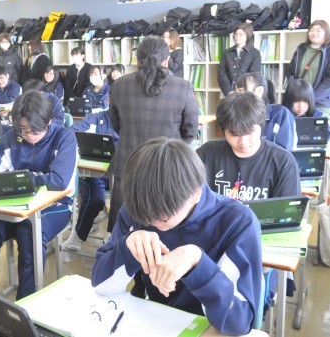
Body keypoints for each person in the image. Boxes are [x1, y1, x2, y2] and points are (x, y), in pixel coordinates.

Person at [92, 137, 261, 336]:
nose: (152, 223)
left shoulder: (236, 221)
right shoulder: (137, 208)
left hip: (207, 329)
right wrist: (126, 248)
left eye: (162, 218)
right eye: (145, 217)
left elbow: (239, 322)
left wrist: (198, 263)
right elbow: (101, 285)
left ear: (196, 193)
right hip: (149, 322)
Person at [0, 90, 77, 300]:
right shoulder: (12, 137)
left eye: (34, 131)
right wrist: (24, 181)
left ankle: (25, 304)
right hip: (15, 206)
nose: (28, 136)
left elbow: (59, 181)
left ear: (49, 121)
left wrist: (22, 179)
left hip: (56, 205)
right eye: (23, 130)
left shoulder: (64, 137)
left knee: (29, 232)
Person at [108, 36, 198, 231]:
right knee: (165, 227)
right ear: (166, 61)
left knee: (126, 229)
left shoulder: (119, 85)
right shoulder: (182, 87)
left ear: (138, 61)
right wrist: (171, 146)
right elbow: (191, 130)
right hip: (166, 167)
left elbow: (115, 123)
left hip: (128, 164)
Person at [197, 91, 300, 200]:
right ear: (223, 131)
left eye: (249, 132)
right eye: (234, 134)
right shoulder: (207, 154)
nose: (243, 141)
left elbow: (287, 208)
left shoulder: (282, 162)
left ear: (261, 126)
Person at [68, 109, 118, 250]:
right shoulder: (97, 118)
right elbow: (72, 132)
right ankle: (79, 234)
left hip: (119, 173)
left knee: (124, 203)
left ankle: (116, 237)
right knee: (95, 199)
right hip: (94, 172)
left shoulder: (130, 120)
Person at [286, 19, 330, 115]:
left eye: (318, 31)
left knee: (317, 124)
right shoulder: (301, 49)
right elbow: (291, 72)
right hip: (299, 101)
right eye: (311, 30)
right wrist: (294, 93)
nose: (314, 33)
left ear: (326, 33)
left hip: (320, 102)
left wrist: (312, 98)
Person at [236, 72, 296, 150]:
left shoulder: (280, 114)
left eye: (241, 91)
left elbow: (285, 151)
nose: (236, 96)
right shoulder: (237, 114)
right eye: (236, 92)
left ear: (259, 91)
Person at [218, 23, 261, 96]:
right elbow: (221, 74)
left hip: (246, 94)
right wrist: (229, 92)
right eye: (236, 34)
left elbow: (254, 75)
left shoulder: (255, 53)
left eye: (241, 34)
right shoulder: (227, 52)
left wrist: (243, 91)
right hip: (228, 93)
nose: (237, 37)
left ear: (248, 35)